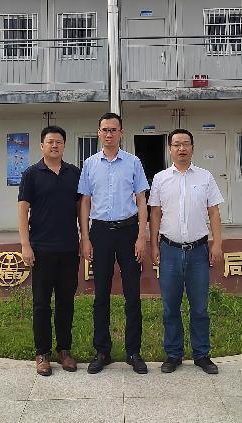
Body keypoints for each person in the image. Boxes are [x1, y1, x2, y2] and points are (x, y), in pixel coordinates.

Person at [78, 112, 150, 374]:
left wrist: (142, 236)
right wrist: (85, 238)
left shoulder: (133, 162)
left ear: (121, 133)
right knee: (101, 295)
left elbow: (141, 200)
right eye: (105, 130)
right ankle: (102, 351)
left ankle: (133, 352)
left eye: (113, 130)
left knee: (133, 294)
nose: (109, 134)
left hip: (128, 231)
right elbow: (85, 202)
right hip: (100, 232)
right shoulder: (89, 164)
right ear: (99, 133)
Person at [148, 128, 224, 374]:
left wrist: (217, 243)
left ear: (192, 147)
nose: (181, 148)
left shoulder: (205, 177)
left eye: (186, 144)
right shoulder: (160, 178)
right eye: (176, 144)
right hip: (169, 250)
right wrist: (154, 245)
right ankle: (173, 354)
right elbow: (155, 213)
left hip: (198, 251)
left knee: (199, 307)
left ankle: (202, 355)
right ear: (170, 149)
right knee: (170, 307)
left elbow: (214, 212)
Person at [18, 125, 82, 376]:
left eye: (59, 142)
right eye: (50, 142)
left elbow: (82, 209)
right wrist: (25, 245)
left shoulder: (74, 173)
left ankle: (64, 350)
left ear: (64, 145)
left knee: (66, 302)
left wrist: (85, 238)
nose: (54, 145)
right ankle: (42, 353)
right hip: (41, 248)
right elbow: (23, 210)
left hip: (69, 248)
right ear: (42, 146)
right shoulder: (31, 174)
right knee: (41, 304)